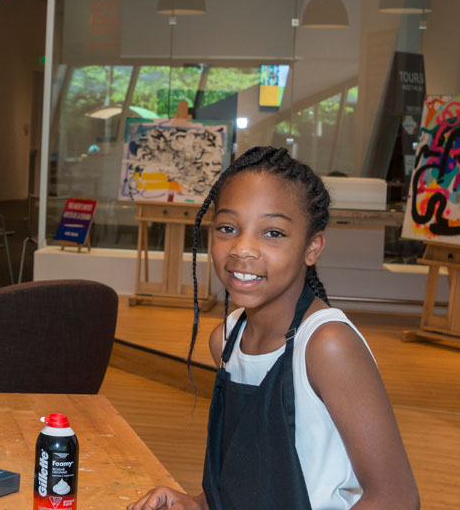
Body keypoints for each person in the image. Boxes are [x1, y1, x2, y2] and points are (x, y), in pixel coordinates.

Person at [128, 146, 418, 510]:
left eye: (273, 233)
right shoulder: (226, 341)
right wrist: (199, 504)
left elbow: (396, 498)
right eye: (228, 228)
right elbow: (251, 480)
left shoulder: (327, 345)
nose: (243, 249)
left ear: (313, 247)